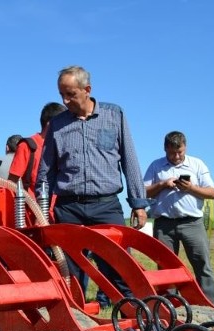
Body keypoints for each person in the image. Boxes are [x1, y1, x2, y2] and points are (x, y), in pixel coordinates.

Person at [35, 65, 149, 308]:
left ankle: (133, 323)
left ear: (87, 90)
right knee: (69, 272)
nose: (65, 101)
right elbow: (46, 172)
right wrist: (42, 209)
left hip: (106, 206)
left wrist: (138, 203)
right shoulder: (57, 125)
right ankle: (75, 323)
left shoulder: (114, 115)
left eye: (71, 94)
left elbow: (130, 160)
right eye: (61, 95)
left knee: (119, 267)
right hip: (69, 209)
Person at [144, 131, 214, 306]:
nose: (177, 156)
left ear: (185, 147)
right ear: (165, 149)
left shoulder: (197, 164)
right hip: (164, 224)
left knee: (202, 264)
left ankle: (212, 305)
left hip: (192, 223)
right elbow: (143, 191)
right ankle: (170, 307)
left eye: (180, 152)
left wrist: (191, 188)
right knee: (165, 268)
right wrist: (162, 184)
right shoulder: (156, 166)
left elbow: (212, 192)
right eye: (172, 153)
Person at [7, 103, 66, 195]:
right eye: (63, 124)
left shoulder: (64, 147)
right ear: (50, 124)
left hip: (60, 208)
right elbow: (11, 183)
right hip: (34, 207)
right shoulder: (27, 146)